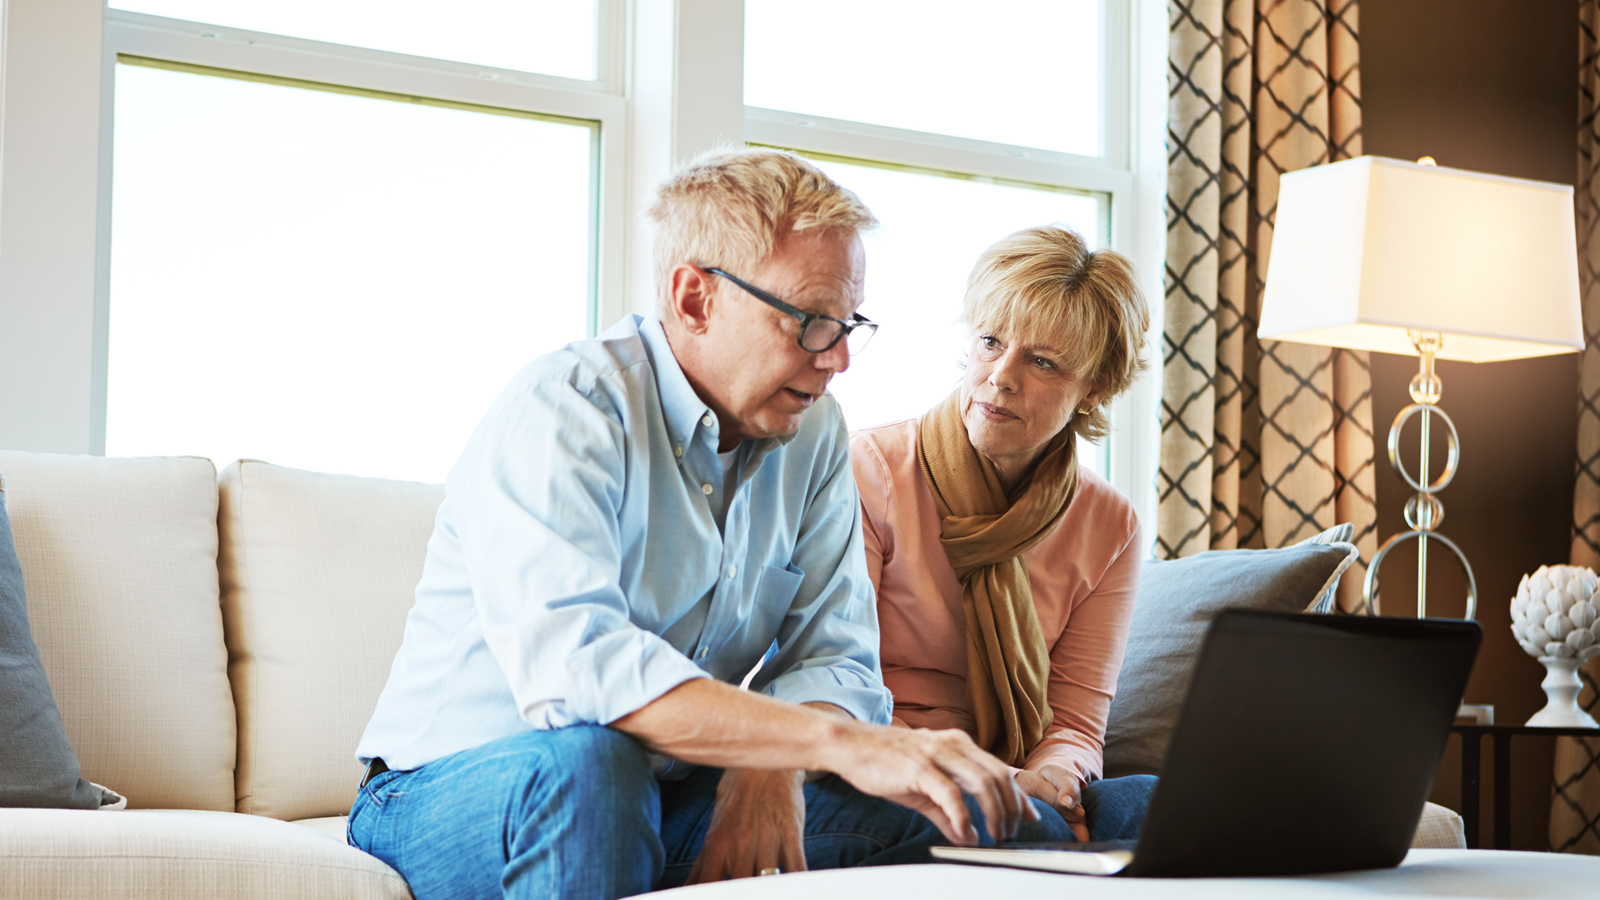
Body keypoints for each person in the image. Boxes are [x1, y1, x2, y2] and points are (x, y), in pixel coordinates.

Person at [348, 148, 1032, 900]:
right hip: (452, 789)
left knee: (963, 813)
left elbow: (835, 655)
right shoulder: (566, 408)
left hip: (653, 793)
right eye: (809, 321)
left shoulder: (814, 433)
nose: (837, 359)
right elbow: (580, 673)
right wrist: (814, 742)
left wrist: (764, 762)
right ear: (695, 298)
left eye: (848, 324)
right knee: (592, 765)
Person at [851, 225, 1157, 847]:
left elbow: (1073, 719)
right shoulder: (873, 468)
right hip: (892, 762)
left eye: (1042, 361)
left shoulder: (1110, 522)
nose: (1001, 376)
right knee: (1023, 823)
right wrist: (1005, 779)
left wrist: (1053, 776)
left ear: (1093, 387)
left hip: (1016, 770)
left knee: (1154, 802)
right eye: (990, 342)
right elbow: (843, 685)